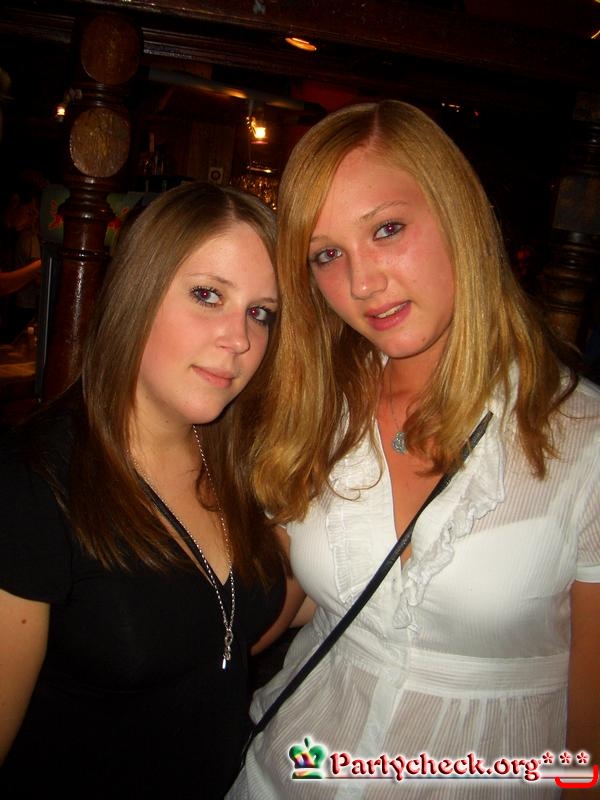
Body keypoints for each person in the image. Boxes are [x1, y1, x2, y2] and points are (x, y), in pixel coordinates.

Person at [228, 101, 600, 798]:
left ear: (458, 213)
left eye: (387, 229)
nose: (361, 283)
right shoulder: (318, 409)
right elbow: (276, 605)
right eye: (327, 255)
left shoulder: (585, 440)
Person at [0, 181, 289, 798]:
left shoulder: (238, 459)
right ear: (137, 291)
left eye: (260, 312)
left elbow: (229, 627)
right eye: (208, 295)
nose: (239, 339)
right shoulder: (33, 483)